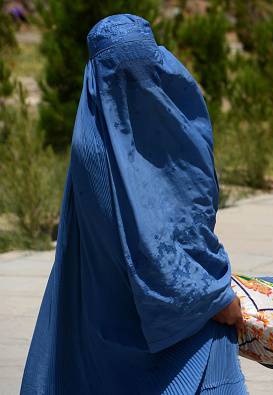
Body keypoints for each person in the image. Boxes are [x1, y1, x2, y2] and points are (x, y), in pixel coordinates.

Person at [21, 14, 246, 394]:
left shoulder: (96, 139)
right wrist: (215, 297)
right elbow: (154, 244)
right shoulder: (138, 139)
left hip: (106, 329)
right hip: (183, 324)